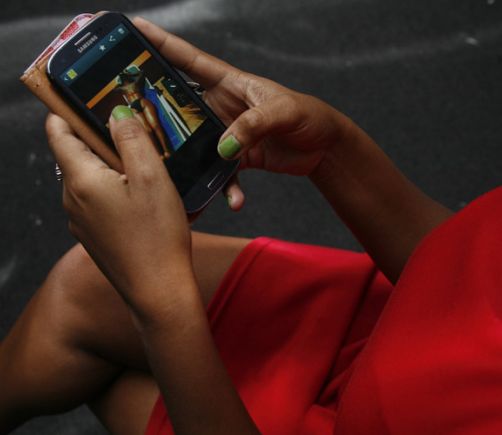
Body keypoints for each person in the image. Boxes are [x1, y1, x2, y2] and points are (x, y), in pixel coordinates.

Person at [1, 16, 501, 435]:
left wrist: (161, 304)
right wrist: (332, 151)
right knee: (86, 286)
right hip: (415, 320)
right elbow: (466, 265)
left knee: (105, 365)